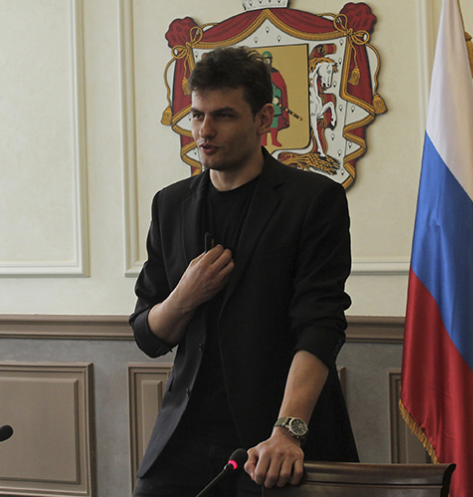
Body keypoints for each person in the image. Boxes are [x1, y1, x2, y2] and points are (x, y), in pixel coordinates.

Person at [130, 46, 357, 497]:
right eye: (197, 115)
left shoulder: (313, 200)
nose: (204, 130)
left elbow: (320, 324)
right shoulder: (170, 204)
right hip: (184, 437)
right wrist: (184, 296)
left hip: (276, 438)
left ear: (263, 119)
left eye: (224, 116)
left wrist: (288, 431)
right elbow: (148, 334)